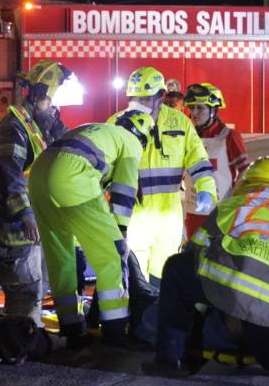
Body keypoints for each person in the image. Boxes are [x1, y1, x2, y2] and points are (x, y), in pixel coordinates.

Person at [154, 157, 269, 386]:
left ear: (245, 184)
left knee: (176, 269)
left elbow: (194, 248)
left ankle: (169, 360)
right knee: (264, 337)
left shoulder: (234, 205)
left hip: (241, 285)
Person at [27, 112, 148, 347]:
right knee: (112, 255)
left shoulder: (96, 129)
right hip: (72, 176)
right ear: (141, 136)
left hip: (38, 177)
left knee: (61, 256)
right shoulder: (131, 142)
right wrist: (120, 233)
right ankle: (115, 331)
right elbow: (124, 192)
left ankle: (72, 327)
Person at [0, 60, 72, 324]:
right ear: (39, 96)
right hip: (17, 231)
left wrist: (56, 125)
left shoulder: (37, 127)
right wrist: (26, 214)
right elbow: (9, 175)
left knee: (35, 293)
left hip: (33, 231)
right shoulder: (15, 127)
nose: (55, 110)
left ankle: (28, 345)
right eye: (52, 103)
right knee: (24, 297)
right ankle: (16, 351)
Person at [109, 66, 216, 285]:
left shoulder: (180, 123)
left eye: (144, 99)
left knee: (164, 277)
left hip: (169, 217)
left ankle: (158, 317)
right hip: (133, 216)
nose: (137, 105)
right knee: (134, 277)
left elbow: (198, 160)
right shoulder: (116, 123)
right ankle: (138, 318)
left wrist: (206, 189)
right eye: (134, 98)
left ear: (160, 97)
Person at [182, 83, 249, 235]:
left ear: (213, 110)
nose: (195, 113)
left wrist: (234, 200)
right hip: (193, 213)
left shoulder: (229, 136)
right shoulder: (187, 137)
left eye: (200, 108)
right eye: (192, 108)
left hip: (220, 213)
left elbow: (245, 170)